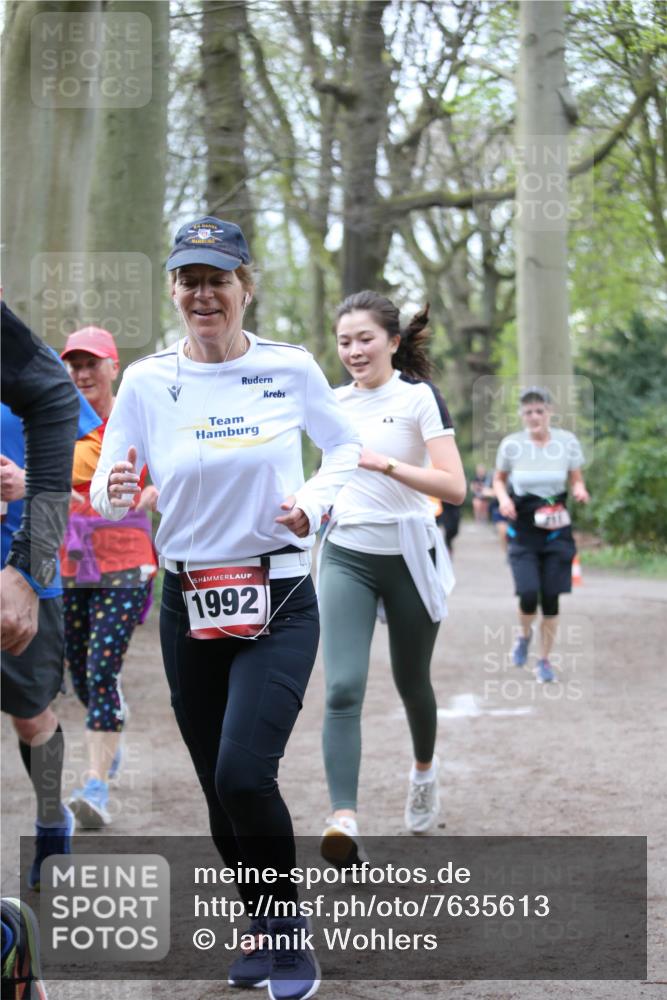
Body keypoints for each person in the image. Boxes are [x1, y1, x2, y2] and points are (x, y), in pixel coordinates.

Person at [89, 216, 360, 1000]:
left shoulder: (289, 367)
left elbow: (343, 449)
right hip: (188, 601)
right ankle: (260, 923)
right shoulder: (147, 381)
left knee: (244, 772)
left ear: (246, 287)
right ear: (173, 291)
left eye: (217, 279)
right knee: (216, 784)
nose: (202, 294)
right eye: (188, 281)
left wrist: (314, 503)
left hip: (278, 594)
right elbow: (110, 485)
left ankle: (287, 932)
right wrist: (114, 492)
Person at [317, 290, 465, 867]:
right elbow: (324, 480)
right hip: (347, 554)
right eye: (344, 341)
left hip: (409, 553)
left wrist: (386, 464)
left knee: (412, 680)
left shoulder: (418, 398)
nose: (354, 350)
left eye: (365, 339)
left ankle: (424, 772)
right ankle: (343, 819)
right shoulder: (331, 405)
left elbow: (454, 487)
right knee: (342, 687)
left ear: (393, 341)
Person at [59, 327, 158, 828]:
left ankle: (94, 785)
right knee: (80, 673)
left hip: (126, 562)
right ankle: (112, 710)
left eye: (91, 363)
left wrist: (154, 493)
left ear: (113, 367)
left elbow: (173, 469)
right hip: (71, 563)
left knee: (100, 671)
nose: (82, 373)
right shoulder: (58, 422)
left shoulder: (136, 418)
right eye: (74, 364)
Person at [0, 301, 80, 891]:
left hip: (22, 575)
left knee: (31, 718)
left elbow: (84, 473)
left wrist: (26, 484)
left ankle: (52, 814)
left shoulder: (30, 368)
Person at [493, 386, 590, 683]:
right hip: (523, 528)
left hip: (556, 529)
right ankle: (524, 636)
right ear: (521, 415)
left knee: (550, 597)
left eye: (539, 410)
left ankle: (544, 660)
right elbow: (499, 480)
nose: (534, 416)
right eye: (528, 412)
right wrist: (504, 499)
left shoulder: (566, 442)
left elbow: (576, 479)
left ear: (550, 412)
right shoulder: (511, 445)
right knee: (527, 592)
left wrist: (579, 490)